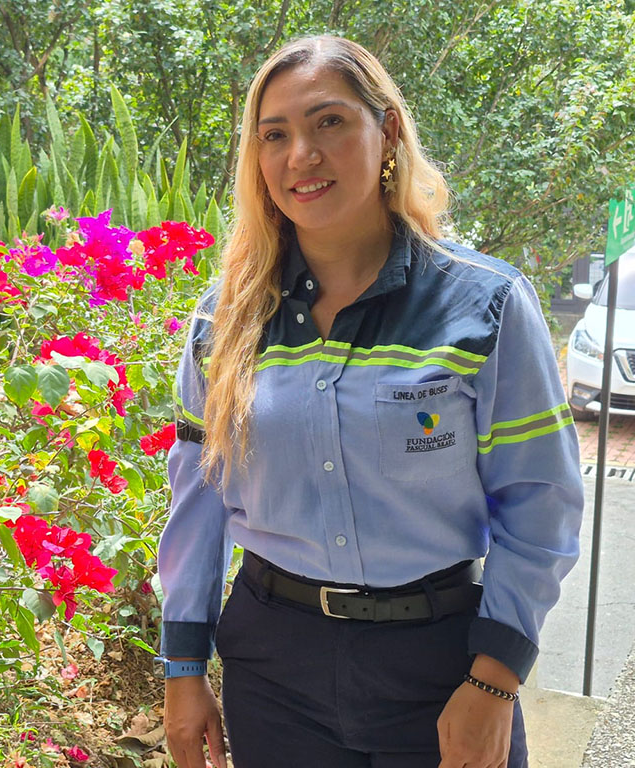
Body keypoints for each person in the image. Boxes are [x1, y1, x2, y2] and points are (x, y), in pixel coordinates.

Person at [156, 35, 583, 768]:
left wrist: (495, 679)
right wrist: (184, 670)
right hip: (274, 669)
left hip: (443, 666)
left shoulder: (485, 305)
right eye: (275, 135)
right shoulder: (224, 321)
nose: (302, 155)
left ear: (386, 132)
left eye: (329, 122)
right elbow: (197, 502)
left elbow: (541, 501)